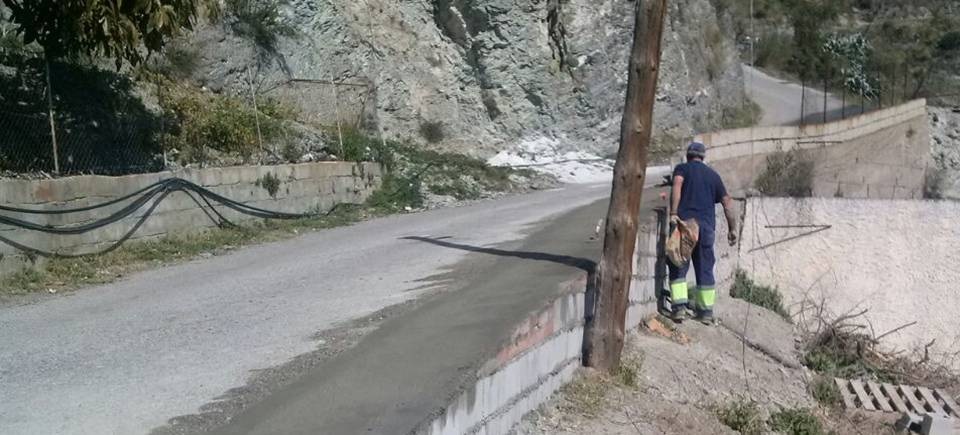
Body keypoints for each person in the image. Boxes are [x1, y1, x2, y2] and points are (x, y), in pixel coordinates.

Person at [668, 142, 738, 324]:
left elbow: (677, 185)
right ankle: (705, 312)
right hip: (706, 228)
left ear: (688, 155)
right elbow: (727, 202)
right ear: (703, 156)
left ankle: (679, 309)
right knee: (705, 268)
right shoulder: (713, 175)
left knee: (678, 264)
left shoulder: (682, 169)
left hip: (686, 225)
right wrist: (732, 229)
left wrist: (674, 213)